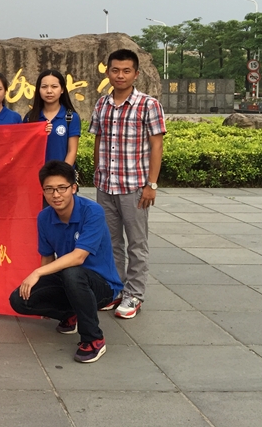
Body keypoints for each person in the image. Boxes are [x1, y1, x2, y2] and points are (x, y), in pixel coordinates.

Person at [9, 161, 123, 363]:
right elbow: (47, 258)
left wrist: (37, 273)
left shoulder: (92, 212)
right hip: (69, 281)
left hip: (102, 285)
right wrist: (44, 289)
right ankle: (69, 314)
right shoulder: (44, 217)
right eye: (49, 189)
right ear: (43, 191)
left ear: (74, 188)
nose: (56, 195)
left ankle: (94, 339)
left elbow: (78, 257)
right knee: (19, 299)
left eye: (62, 188)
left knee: (72, 273)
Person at [89, 48, 165, 319]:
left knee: (136, 243)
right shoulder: (102, 104)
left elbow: (157, 146)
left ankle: (135, 294)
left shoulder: (148, 105)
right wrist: (97, 172)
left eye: (126, 71)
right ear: (108, 72)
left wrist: (151, 185)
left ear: (136, 74)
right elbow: (98, 139)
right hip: (106, 185)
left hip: (134, 187)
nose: (120, 75)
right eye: (115, 70)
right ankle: (115, 289)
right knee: (110, 243)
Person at [24, 69, 80, 165]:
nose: (49, 91)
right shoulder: (30, 117)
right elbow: (25, 149)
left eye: (54, 86)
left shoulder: (71, 117)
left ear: (62, 89)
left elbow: (72, 152)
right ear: (38, 90)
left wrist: (62, 172)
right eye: (44, 87)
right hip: (35, 172)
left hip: (62, 172)